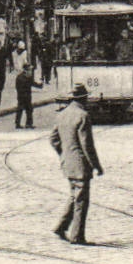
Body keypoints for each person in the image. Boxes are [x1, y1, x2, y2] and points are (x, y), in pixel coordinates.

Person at [50, 84, 104, 244]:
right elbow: (87, 145)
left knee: (74, 196)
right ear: (83, 98)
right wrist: (97, 166)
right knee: (81, 201)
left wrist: (64, 153)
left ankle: (61, 226)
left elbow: (53, 139)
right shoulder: (83, 115)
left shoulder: (62, 114)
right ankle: (77, 236)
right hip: (80, 165)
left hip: (67, 163)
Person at [13, 62, 36, 129]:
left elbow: (32, 83)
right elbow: (18, 88)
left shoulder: (28, 77)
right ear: (25, 70)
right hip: (22, 97)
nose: (31, 71)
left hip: (28, 96)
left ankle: (29, 124)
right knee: (20, 109)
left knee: (29, 110)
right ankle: (17, 124)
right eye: (29, 70)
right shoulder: (20, 78)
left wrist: (39, 85)